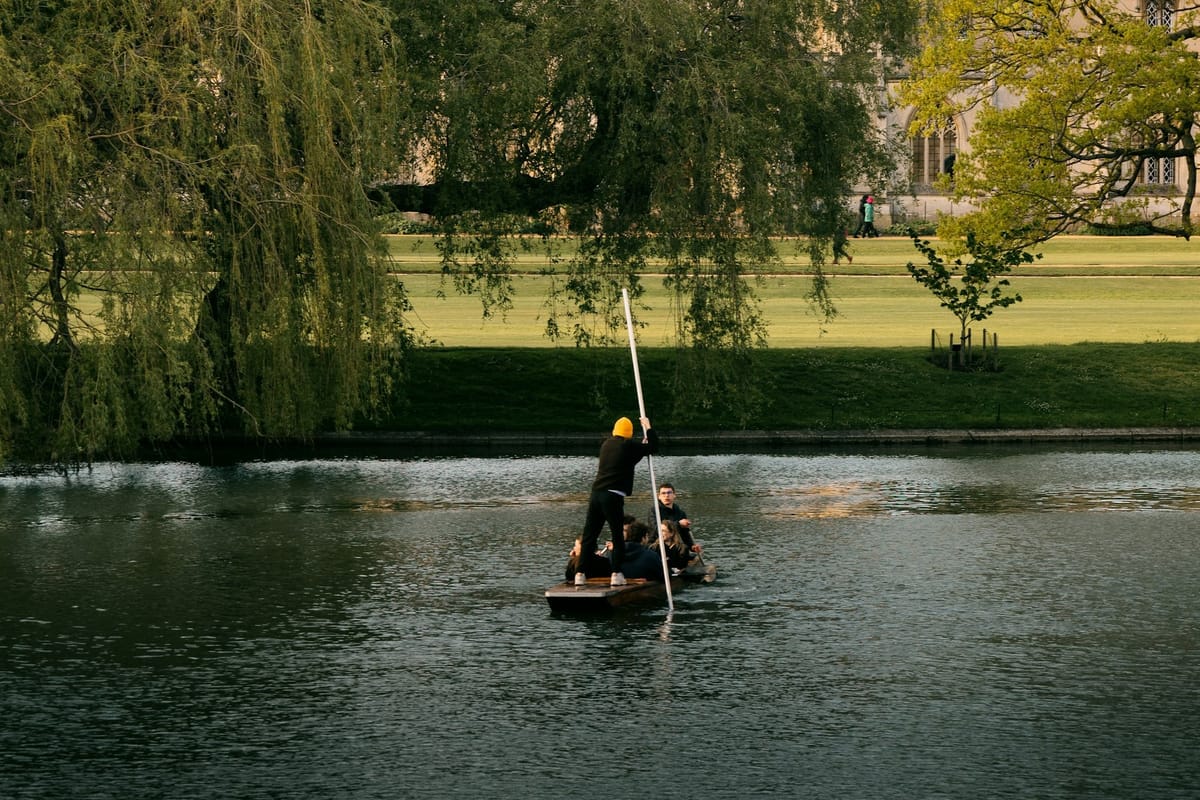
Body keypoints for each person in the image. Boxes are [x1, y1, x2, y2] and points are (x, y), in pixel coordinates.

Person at [575, 416, 658, 587]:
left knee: (590, 535)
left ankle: (580, 573)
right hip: (612, 496)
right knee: (617, 536)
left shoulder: (607, 444)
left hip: (596, 494)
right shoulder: (628, 445)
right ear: (629, 433)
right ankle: (616, 573)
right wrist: (649, 428)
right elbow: (653, 447)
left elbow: (626, 461)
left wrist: (641, 448)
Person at [648, 482, 701, 557]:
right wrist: (678, 524)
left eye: (669, 493)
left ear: (674, 495)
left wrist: (692, 546)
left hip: (673, 545)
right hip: (656, 545)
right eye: (663, 493)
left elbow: (685, 534)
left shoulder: (680, 513)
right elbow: (656, 530)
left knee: (685, 550)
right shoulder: (654, 511)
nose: (666, 495)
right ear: (659, 496)